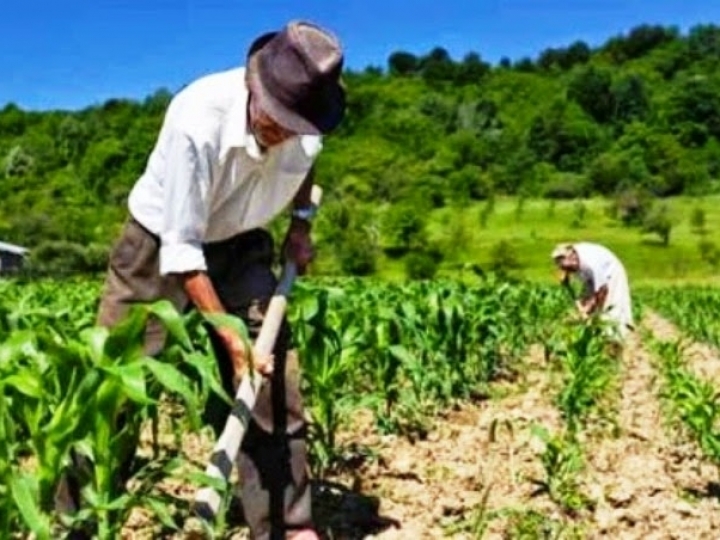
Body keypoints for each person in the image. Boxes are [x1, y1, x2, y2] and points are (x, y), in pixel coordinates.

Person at [55, 20, 346, 540]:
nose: (282, 130)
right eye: (275, 117)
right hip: (159, 242)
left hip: (244, 239)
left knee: (273, 377)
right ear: (255, 87)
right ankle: (74, 524)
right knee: (116, 383)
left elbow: (305, 170)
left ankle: (286, 525)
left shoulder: (307, 127)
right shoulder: (198, 117)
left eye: (293, 124)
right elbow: (182, 251)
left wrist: (300, 225)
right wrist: (230, 340)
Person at [551, 242, 634, 341]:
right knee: (585, 304)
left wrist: (591, 307)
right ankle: (592, 333)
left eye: (569, 268)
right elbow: (565, 264)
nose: (569, 270)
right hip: (590, 277)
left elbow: (602, 289)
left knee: (610, 312)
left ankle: (614, 341)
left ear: (573, 257)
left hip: (611, 275)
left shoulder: (591, 263)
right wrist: (566, 276)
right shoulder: (573, 257)